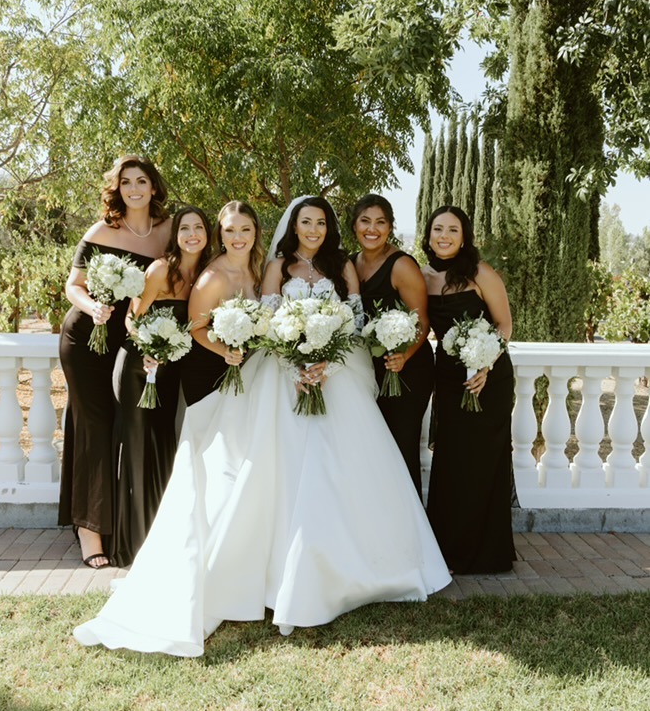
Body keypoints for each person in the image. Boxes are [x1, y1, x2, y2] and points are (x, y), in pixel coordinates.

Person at [73, 197, 450, 657]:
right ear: (294, 226)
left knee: (346, 467)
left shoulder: (343, 267)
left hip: (337, 375)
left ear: (330, 228)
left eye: (320, 222)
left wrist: (325, 362)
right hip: (281, 374)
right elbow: (269, 323)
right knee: (278, 467)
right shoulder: (274, 267)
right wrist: (298, 358)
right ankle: (273, 573)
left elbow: (353, 322)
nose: (312, 228)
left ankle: (358, 569)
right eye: (305, 221)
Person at [58, 155, 171, 568]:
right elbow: (73, 285)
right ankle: (90, 534)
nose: (135, 189)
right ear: (118, 188)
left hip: (131, 345)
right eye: (127, 182)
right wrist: (93, 308)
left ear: (154, 187)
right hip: (86, 339)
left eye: (142, 181)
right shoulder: (103, 229)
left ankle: (124, 525)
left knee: (127, 428)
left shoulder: (167, 231)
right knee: (93, 427)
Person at [109, 206, 212, 568]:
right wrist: (151, 350)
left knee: (163, 447)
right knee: (138, 452)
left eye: (199, 227)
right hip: (140, 368)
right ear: (176, 235)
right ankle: (134, 547)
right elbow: (132, 319)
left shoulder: (205, 275)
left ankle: (160, 537)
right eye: (185, 228)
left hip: (168, 377)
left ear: (207, 234)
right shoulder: (159, 270)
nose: (192, 234)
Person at [421, 205, 516, 574]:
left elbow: (504, 325)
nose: (444, 236)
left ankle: (488, 553)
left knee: (484, 459)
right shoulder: (423, 276)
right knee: (451, 459)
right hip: (448, 377)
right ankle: (448, 550)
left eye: (453, 230)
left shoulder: (480, 273)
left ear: (464, 237)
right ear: (428, 235)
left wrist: (485, 364)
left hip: (488, 377)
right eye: (438, 229)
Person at [351, 193, 434, 496]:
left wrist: (404, 354)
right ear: (354, 225)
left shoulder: (401, 265)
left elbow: (422, 322)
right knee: (373, 448)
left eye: (380, 223)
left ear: (389, 228)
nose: (372, 229)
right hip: (370, 369)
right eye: (365, 221)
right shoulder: (350, 263)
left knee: (401, 444)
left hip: (407, 370)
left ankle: (412, 531)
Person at [179, 199, 265, 404]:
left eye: (245, 229)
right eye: (229, 230)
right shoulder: (213, 278)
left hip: (246, 369)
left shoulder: (259, 268)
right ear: (220, 234)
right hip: (207, 370)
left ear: (255, 233)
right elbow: (195, 328)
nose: (238, 238)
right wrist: (225, 351)